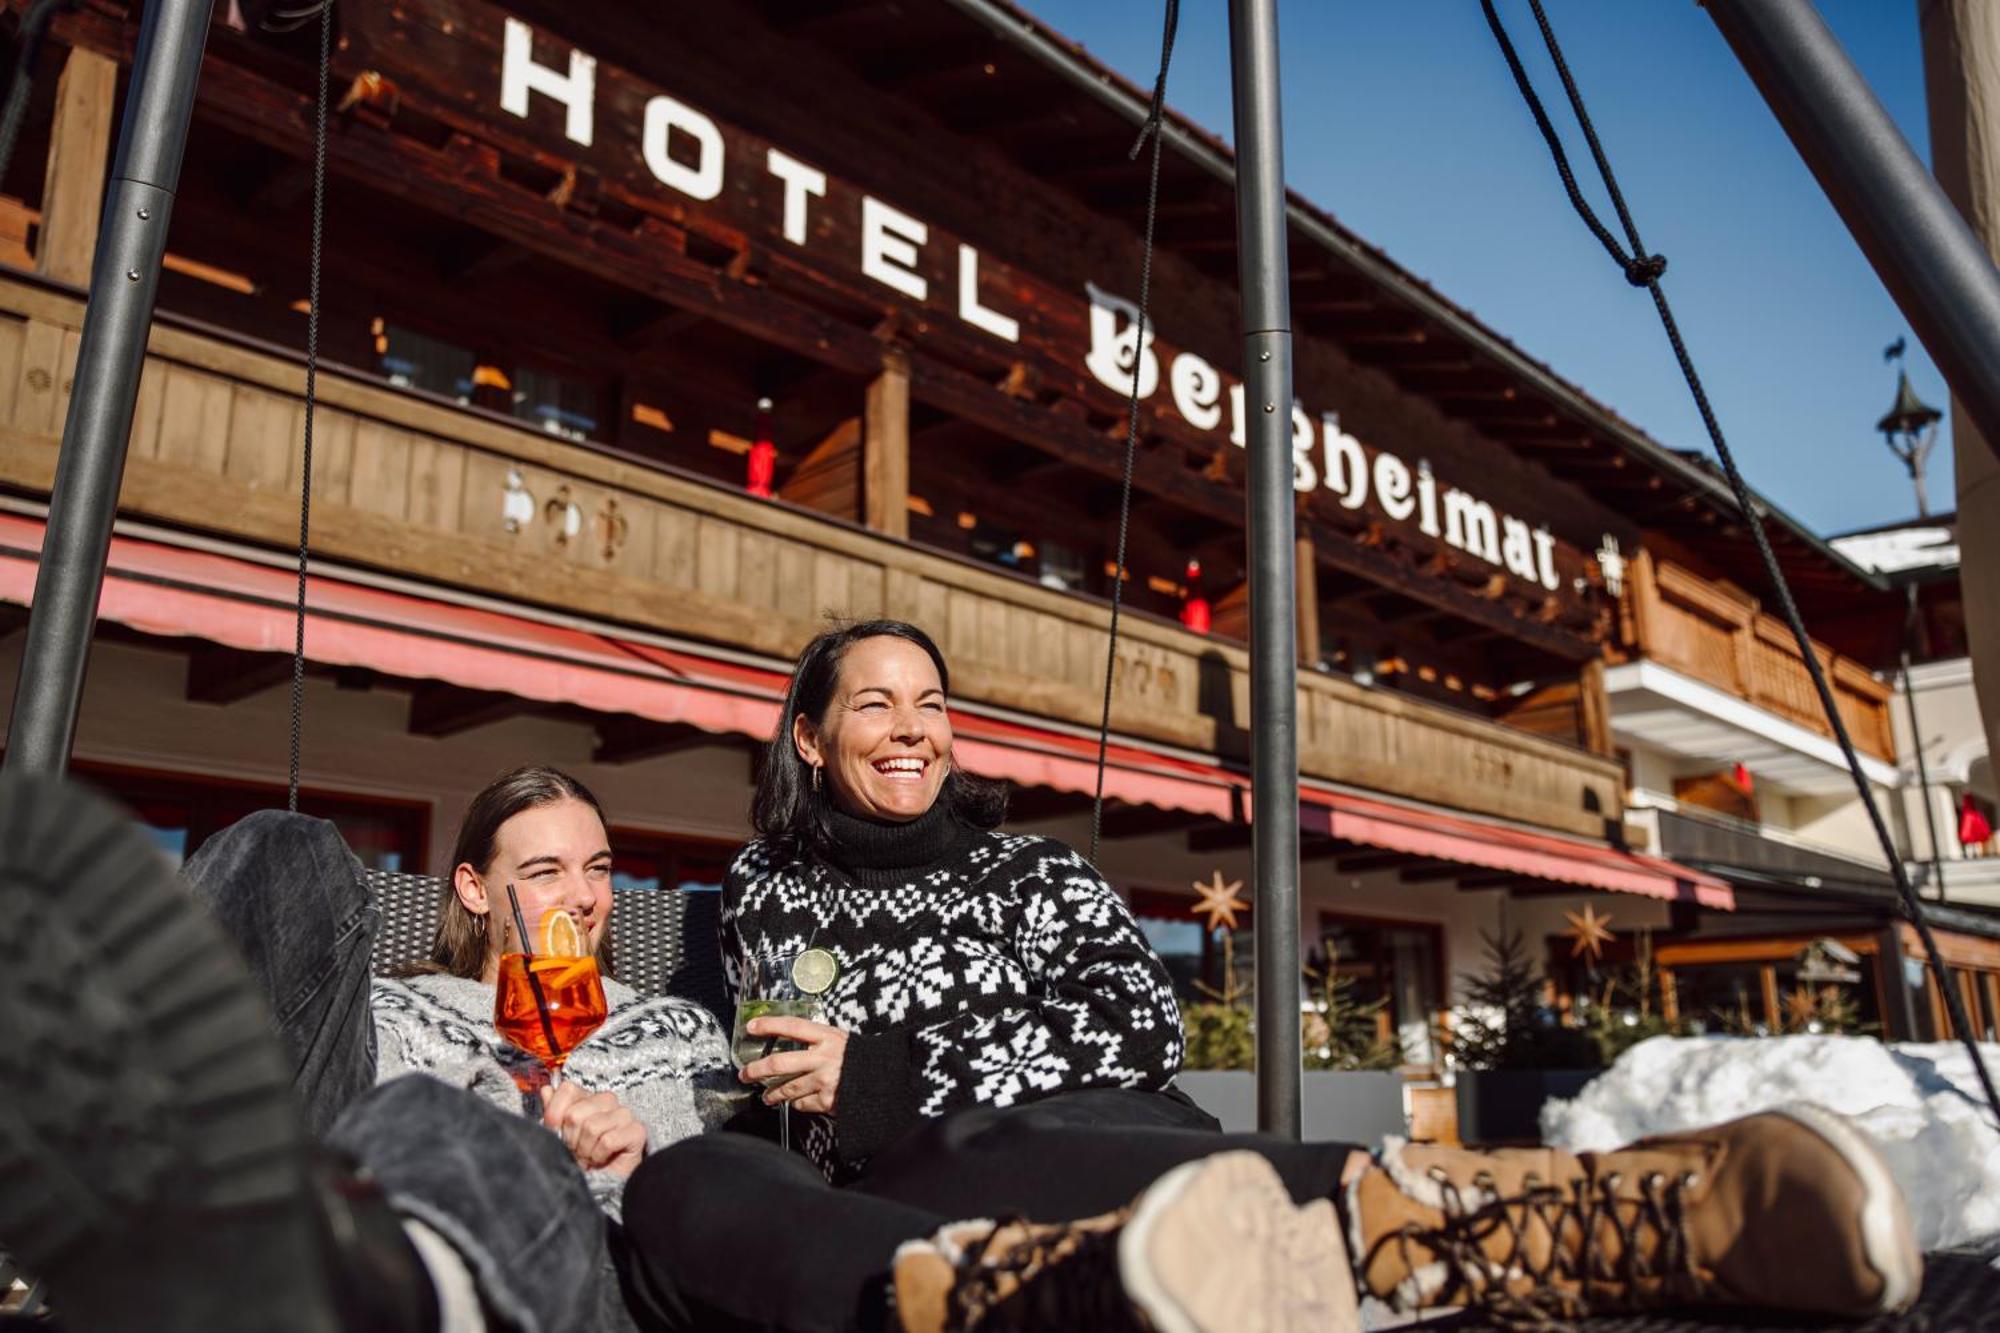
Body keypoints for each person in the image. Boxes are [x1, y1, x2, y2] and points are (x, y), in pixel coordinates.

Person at [614, 619, 1925, 1333]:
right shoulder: (770, 888)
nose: (913, 729)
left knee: (1041, 1123)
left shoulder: (1033, 872)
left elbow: (1133, 1019)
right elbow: (783, 1055)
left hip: (1071, 1137)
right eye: (875, 705)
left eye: (933, 705)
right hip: (898, 1187)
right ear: (808, 732)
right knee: (715, 1179)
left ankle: (1596, 1213)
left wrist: (896, 1061)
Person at [0, 764, 732, 1333]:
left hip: (584, 1279)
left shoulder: (677, 1028)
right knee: (288, 845)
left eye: (599, 868)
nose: (584, 896)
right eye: (546, 871)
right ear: (475, 889)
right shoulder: (385, 1008)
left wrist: (642, 1166)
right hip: (351, 1239)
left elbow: (727, 1217)